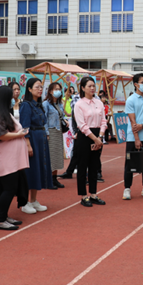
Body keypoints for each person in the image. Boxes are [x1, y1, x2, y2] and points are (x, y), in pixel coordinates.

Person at [0, 86, 30, 231]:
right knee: (9, 188)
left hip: (9, 158)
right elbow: (0, 135)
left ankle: (4, 216)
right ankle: (1, 220)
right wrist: (18, 134)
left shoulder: (2, 112)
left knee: (4, 187)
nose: (13, 99)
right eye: (10, 97)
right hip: (4, 158)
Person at [73, 76, 107, 207]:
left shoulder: (99, 103)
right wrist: (95, 139)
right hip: (85, 137)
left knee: (94, 165)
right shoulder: (79, 104)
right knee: (82, 166)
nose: (92, 88)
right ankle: (83, 196)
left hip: (98, 135)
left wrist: (101, 136)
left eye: (94, 86)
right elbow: (82, 125)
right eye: (89, 86)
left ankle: (93, 194)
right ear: (82, 88)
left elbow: (103, 121)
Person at [19, 78, 51, 214]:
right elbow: (24, 126)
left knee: (38, 169)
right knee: (30, 170)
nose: (40, 89)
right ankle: (25, 202)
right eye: (37, 87)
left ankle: (33, 200)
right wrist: (28, 144)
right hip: (32, 138)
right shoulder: (26, 105)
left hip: (40, 138)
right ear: (29, 89)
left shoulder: (39, 104)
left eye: (41, 87)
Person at [43, 82, 65, 189]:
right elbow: (44, 120)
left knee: (57, 156)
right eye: (56, 89)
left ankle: (54, 178)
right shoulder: (46, 104)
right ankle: (48, 180)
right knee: (50, 157)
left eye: (59, 89)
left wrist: (65, 121)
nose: (58, 91)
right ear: (50, 91)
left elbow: (62, 116)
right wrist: (46, 133)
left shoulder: (59, 104)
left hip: (58, 132)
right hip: (51, 132)